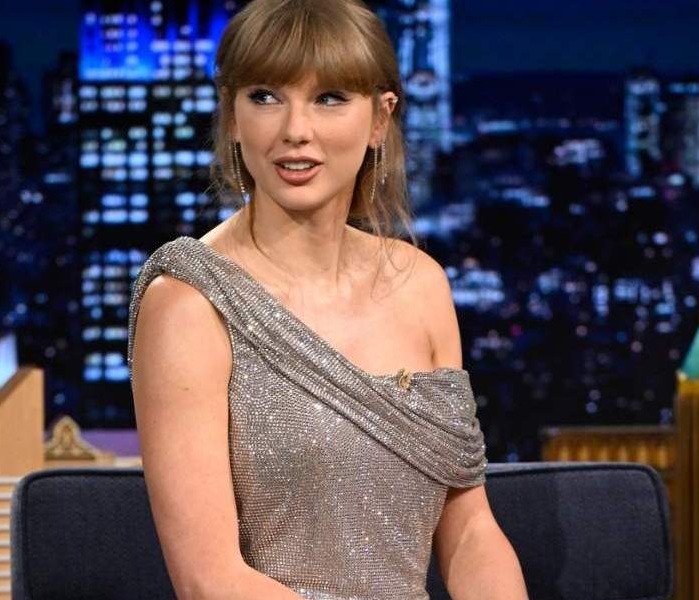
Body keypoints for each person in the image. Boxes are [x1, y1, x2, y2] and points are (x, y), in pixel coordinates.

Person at [127, 0, 528, 598]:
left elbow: (469, 529)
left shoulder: (420, 285)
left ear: (380, 119)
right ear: (232, 116)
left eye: (329, 98)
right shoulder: (187, 302)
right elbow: (210, 581)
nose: (295, 129)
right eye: (265, 96)